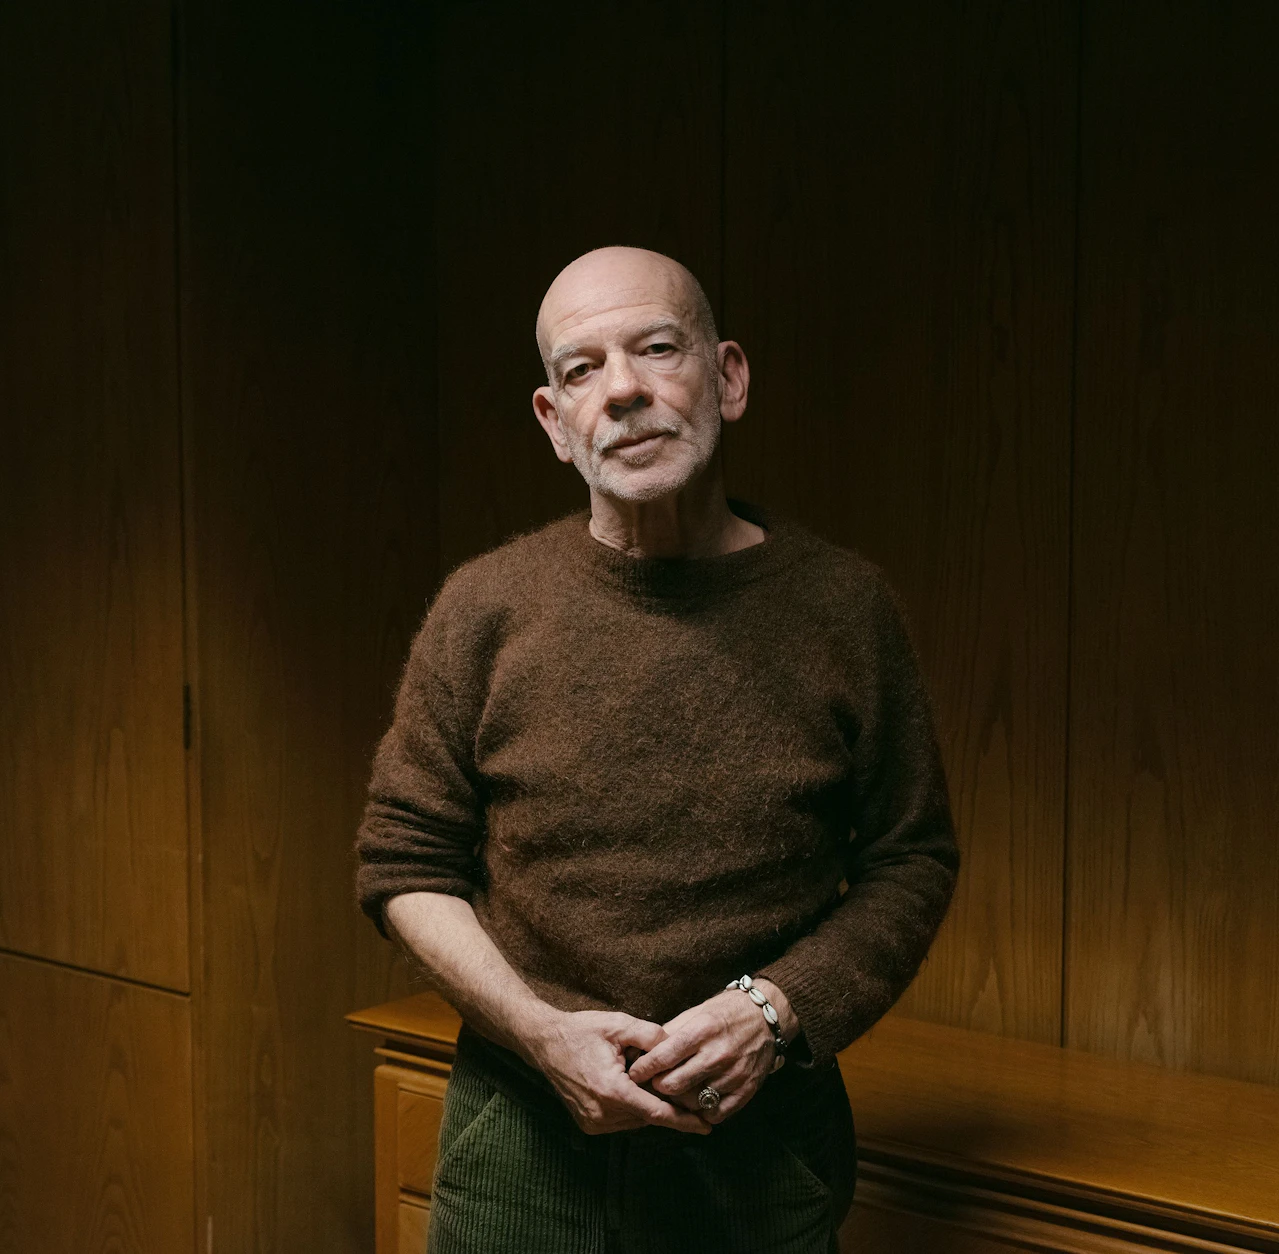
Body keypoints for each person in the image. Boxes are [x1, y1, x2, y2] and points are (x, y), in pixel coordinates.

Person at [355, 245, 959, 1253]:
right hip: (519, 1140)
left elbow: (911, 857)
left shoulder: (843, 609)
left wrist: (773, 1013)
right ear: (554, 422)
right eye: (581, 369)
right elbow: (402, 862)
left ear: (727, 377)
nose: (623, 390)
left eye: (655, 348)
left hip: (763, 1152)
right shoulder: (485, 608)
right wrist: (538, 1033)